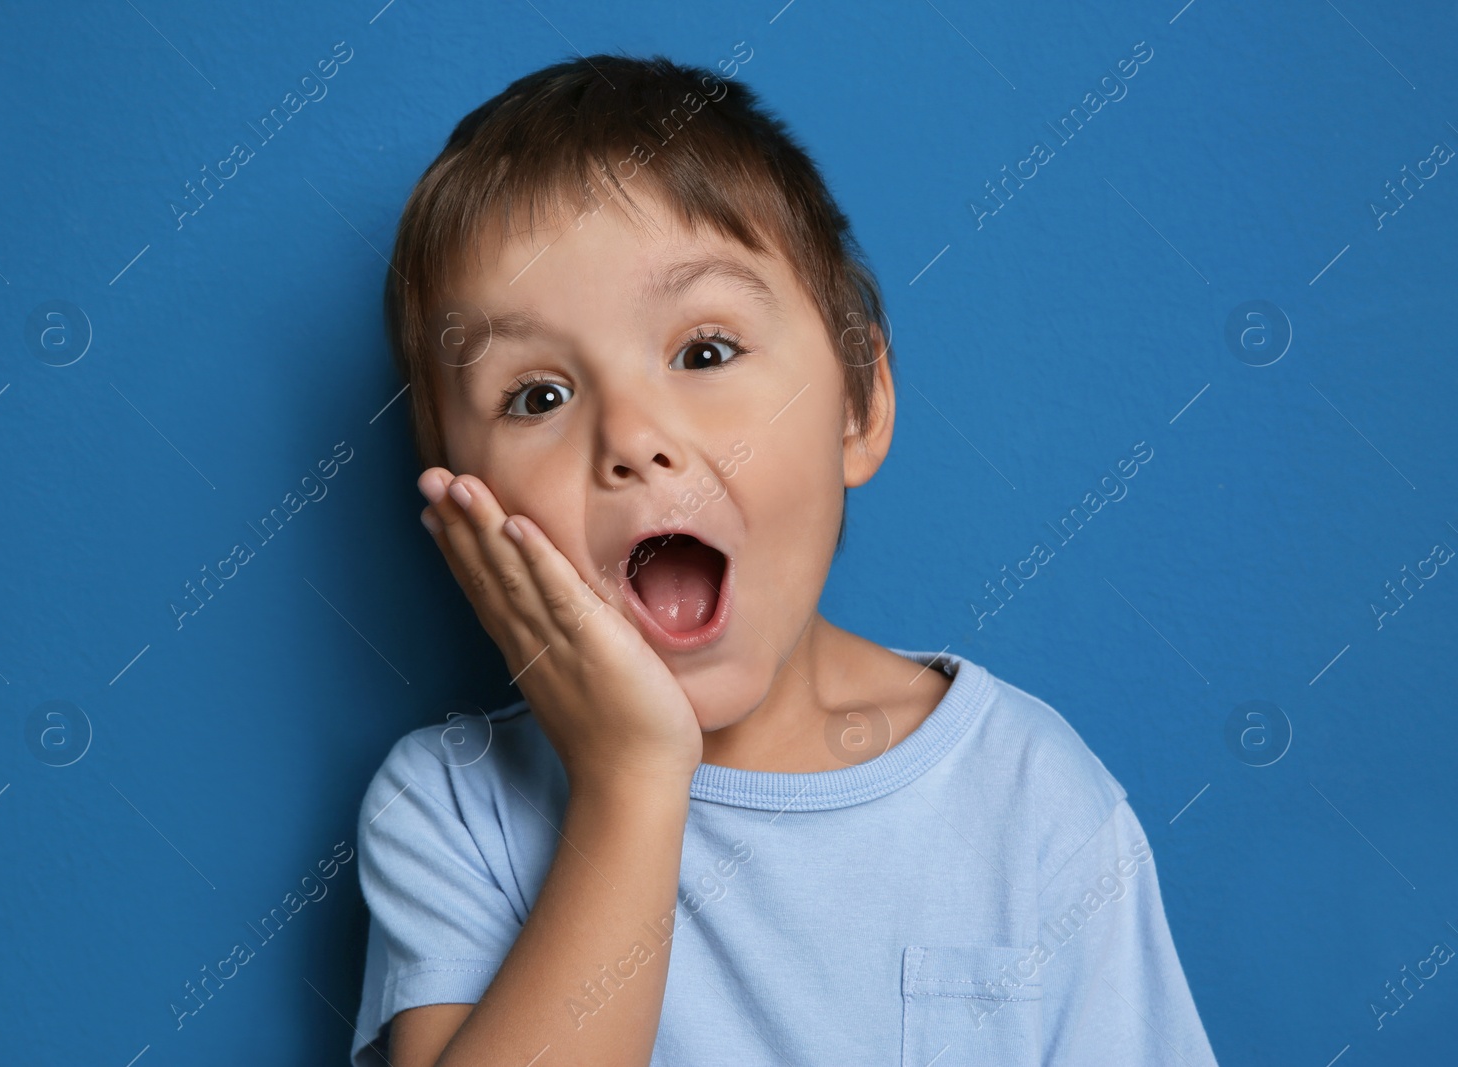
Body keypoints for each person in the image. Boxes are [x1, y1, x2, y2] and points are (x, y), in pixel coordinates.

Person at [350, 53, 1219, 1067]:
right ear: (463, 506)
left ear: (857, 402)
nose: (631, 436)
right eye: (536, 396)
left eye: (704, 352)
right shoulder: (452, 806)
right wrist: (630, 780)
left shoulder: (1033, 801)